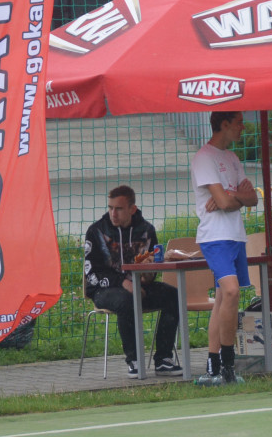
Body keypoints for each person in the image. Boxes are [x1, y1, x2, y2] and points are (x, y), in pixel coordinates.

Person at [83, 185, 182, 378]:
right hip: (104, 289)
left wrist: (147, 277)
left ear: (132, 209)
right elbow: (91, 271)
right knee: (126, 300)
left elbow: (152, 266)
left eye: (118, 208)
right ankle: (134, 360)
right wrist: (124, 282)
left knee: (174, 295)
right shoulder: (96, 231)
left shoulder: (147, 230)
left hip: (139, 287)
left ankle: (163, 359)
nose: (113, 213)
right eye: (110, 207)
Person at [190, 111, 259, 386]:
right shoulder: (204, 157)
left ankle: (214, 365)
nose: (243, 127)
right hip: (215, 237)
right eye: (239, 123)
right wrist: (231, 198)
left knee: (223, 298)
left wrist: (231, 197)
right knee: (230, 292)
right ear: (224, 124)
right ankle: (228, 365)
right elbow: (226, 202)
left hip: (236, 236)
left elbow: (252, 198)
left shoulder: (232, 158)